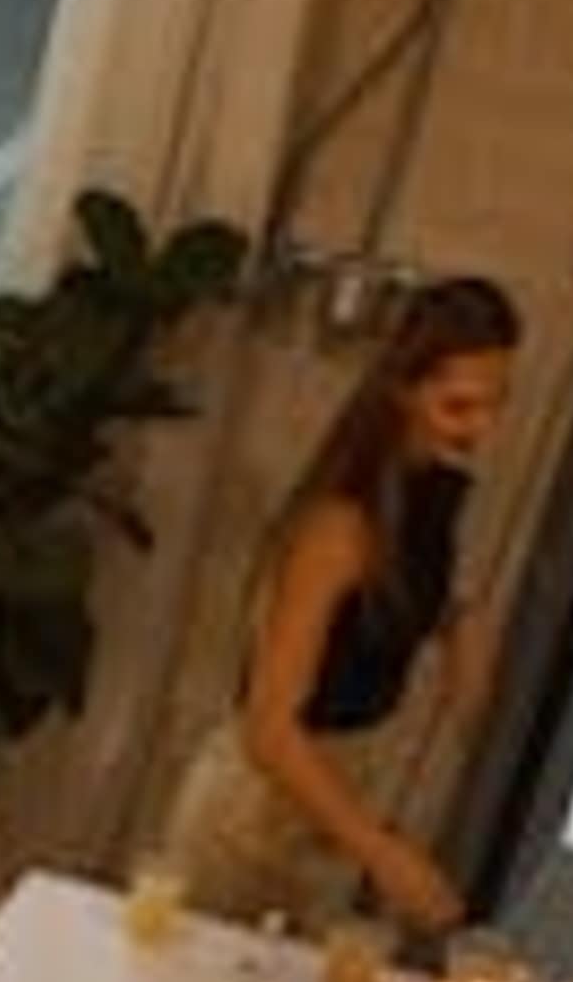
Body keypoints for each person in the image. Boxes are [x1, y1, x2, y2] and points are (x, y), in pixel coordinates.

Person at [167, 280, 521, 942]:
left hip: (342, 792)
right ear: (402, 390)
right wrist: (383, 853)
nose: (483, 428)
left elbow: (394, 602)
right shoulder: (338, 522)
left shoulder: (433, 490)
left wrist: (458, 621)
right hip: (258, 809)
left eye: (497, 403)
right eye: (460, 407)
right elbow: (269, 729)